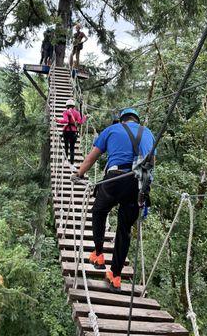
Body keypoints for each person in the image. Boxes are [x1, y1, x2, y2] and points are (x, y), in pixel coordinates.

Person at [73, 108, 155, 292]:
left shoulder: (111, 130)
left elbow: (92, 158)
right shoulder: (148, 133)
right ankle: (116, 276)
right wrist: (144, 189)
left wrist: (79, 173)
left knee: (99, 211)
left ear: (121, 120)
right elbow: (152, 163)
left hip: (114, 179)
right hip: (137, 184)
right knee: (124, 229)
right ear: (136, 120)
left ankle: (99, 254)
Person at [56, 99, 87, 165]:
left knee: (66, 146)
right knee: (72, 148)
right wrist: (84, 117)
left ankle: (66, 161)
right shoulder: (77, 113)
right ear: (73, 106)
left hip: (66, 131)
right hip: (73, 132)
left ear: (66, 106)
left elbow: (66, 121)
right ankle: (72, 163)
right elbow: (80, 122)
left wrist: (58, 120)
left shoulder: (66, 112)